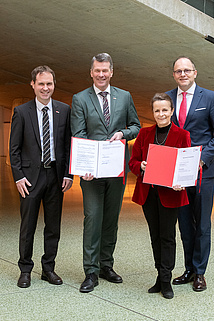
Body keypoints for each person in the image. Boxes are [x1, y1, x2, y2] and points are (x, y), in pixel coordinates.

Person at [71, 53, 141, 293]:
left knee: (111, 219)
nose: (101, 74)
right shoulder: (80, 99)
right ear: (91, 72)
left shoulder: (125, 96)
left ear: (112, 72)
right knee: (93, 218)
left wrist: (122, 133)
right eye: (97, 70)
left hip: (117, 170)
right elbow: (78, 134)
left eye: (105, 71)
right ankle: (90, 271)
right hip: (91, 173)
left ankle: (106, 265)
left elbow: (136, 126)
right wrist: (84, 167)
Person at [166, 56, 214, 291]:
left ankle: (200, 272)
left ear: (195, 73)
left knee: (202, 224)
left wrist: (202, 159)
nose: (182, 74)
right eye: (178, 71)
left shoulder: (210, 98)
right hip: (178, 173)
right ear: (173, 75)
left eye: (186, 70)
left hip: (203, 171)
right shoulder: (168, 98)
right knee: (184, 223)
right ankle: (189, 269)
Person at [9, 65, 73, 288]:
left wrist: (68, 174)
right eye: (41, 84)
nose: (45, 88)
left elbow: (67, 146)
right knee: (28, 226)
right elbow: (14, 148)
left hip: (55, 177)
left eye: (49, 84)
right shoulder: (21, 111)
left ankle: (48, 269)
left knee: (53, 226)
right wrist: (18, 177)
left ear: (54, 85)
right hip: (29, 179)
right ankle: (25, 269)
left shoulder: (64, 110)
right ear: (33, 85)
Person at [129, 93, 191, 299]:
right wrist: (142, 166)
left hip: (170, 195)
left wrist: (181, 181)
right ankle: (159, 274)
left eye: (165, 110)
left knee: (167, 236)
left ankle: (166, 279)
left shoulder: (182, 135)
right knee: (155, 236)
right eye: (157, 110)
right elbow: (133, 162)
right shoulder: (145, 134)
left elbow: (187, 166)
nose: (161, 114)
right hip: (149, 193)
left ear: (172, 111)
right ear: (153, 113)